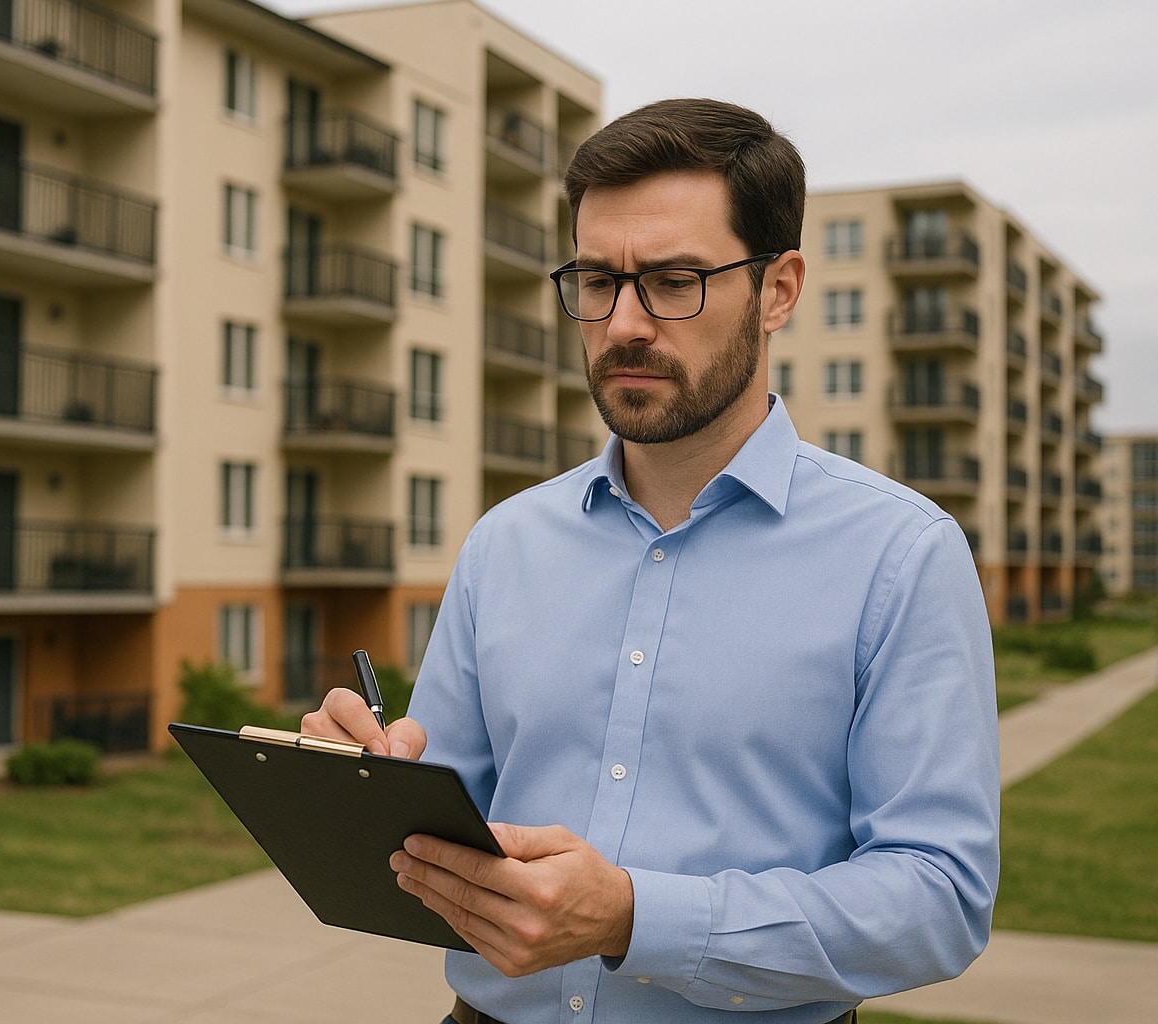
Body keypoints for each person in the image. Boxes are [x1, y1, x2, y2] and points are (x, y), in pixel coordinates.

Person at [302, 97, 999, 1024]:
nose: (624, 322)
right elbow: (448, 831)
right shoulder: (504, 543)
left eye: (675, 280)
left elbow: (938, 899)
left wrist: (634, 918)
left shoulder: (903, 556)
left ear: (780, 289)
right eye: (597, 281)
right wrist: (367, 791)